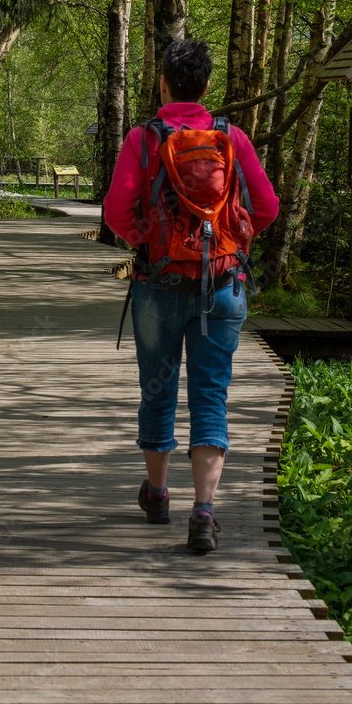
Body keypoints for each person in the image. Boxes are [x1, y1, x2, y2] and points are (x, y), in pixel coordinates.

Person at [103, 39, 279, 551]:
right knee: (210, 395)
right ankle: (204, 511)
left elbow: (116, 212)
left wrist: (150, 244)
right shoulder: (231, 138)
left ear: (164, 84)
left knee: (158, 390)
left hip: (158, 287)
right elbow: (266, 206)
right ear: (206, 87)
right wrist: (235, 239)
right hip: (222, 287)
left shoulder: (144, 139)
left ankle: (158, 495)